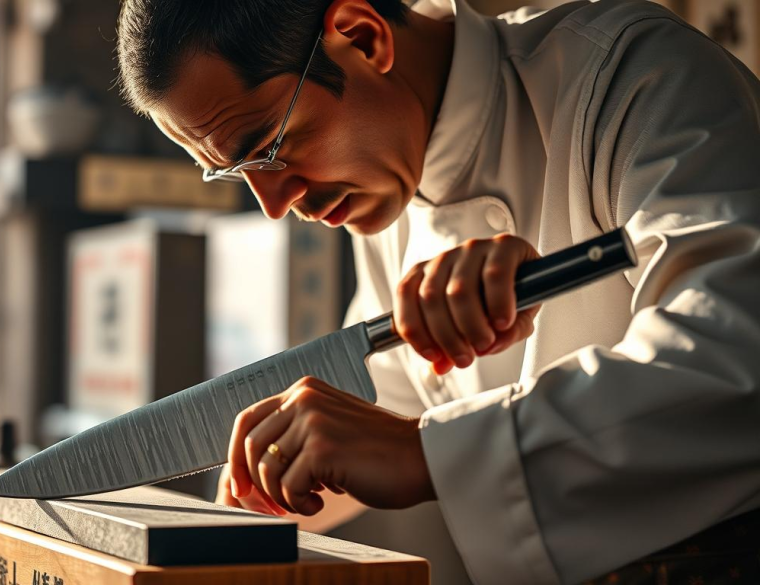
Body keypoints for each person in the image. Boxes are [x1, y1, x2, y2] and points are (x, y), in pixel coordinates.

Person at [116, 0, 760, 583]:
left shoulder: (628, 74)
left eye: (270, 149)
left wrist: (422, 453)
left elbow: (738, 350)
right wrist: (281, 479)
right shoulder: (378, 180)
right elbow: (385, 412)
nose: (276, 206)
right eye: (236, 175)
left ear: (364, 38)